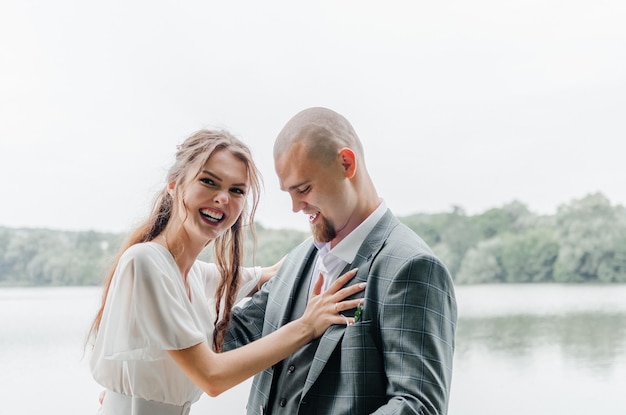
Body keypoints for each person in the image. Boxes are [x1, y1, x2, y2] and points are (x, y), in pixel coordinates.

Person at [86, 129, 365, 415]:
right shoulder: (144, 262)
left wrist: (342, 221)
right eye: (208, 182)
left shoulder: (197, 275)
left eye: (236, 190)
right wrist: (308, 326)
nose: (222, 198)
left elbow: (275, 272)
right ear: (174, 184)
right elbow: (212, 377)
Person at [223, 107, 458, 414]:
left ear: (346, 163)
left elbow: (418, 406)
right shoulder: (296, 260)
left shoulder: (412, 266)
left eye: (303, 188)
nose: (295, 206)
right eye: (289, 193)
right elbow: (232, 337)